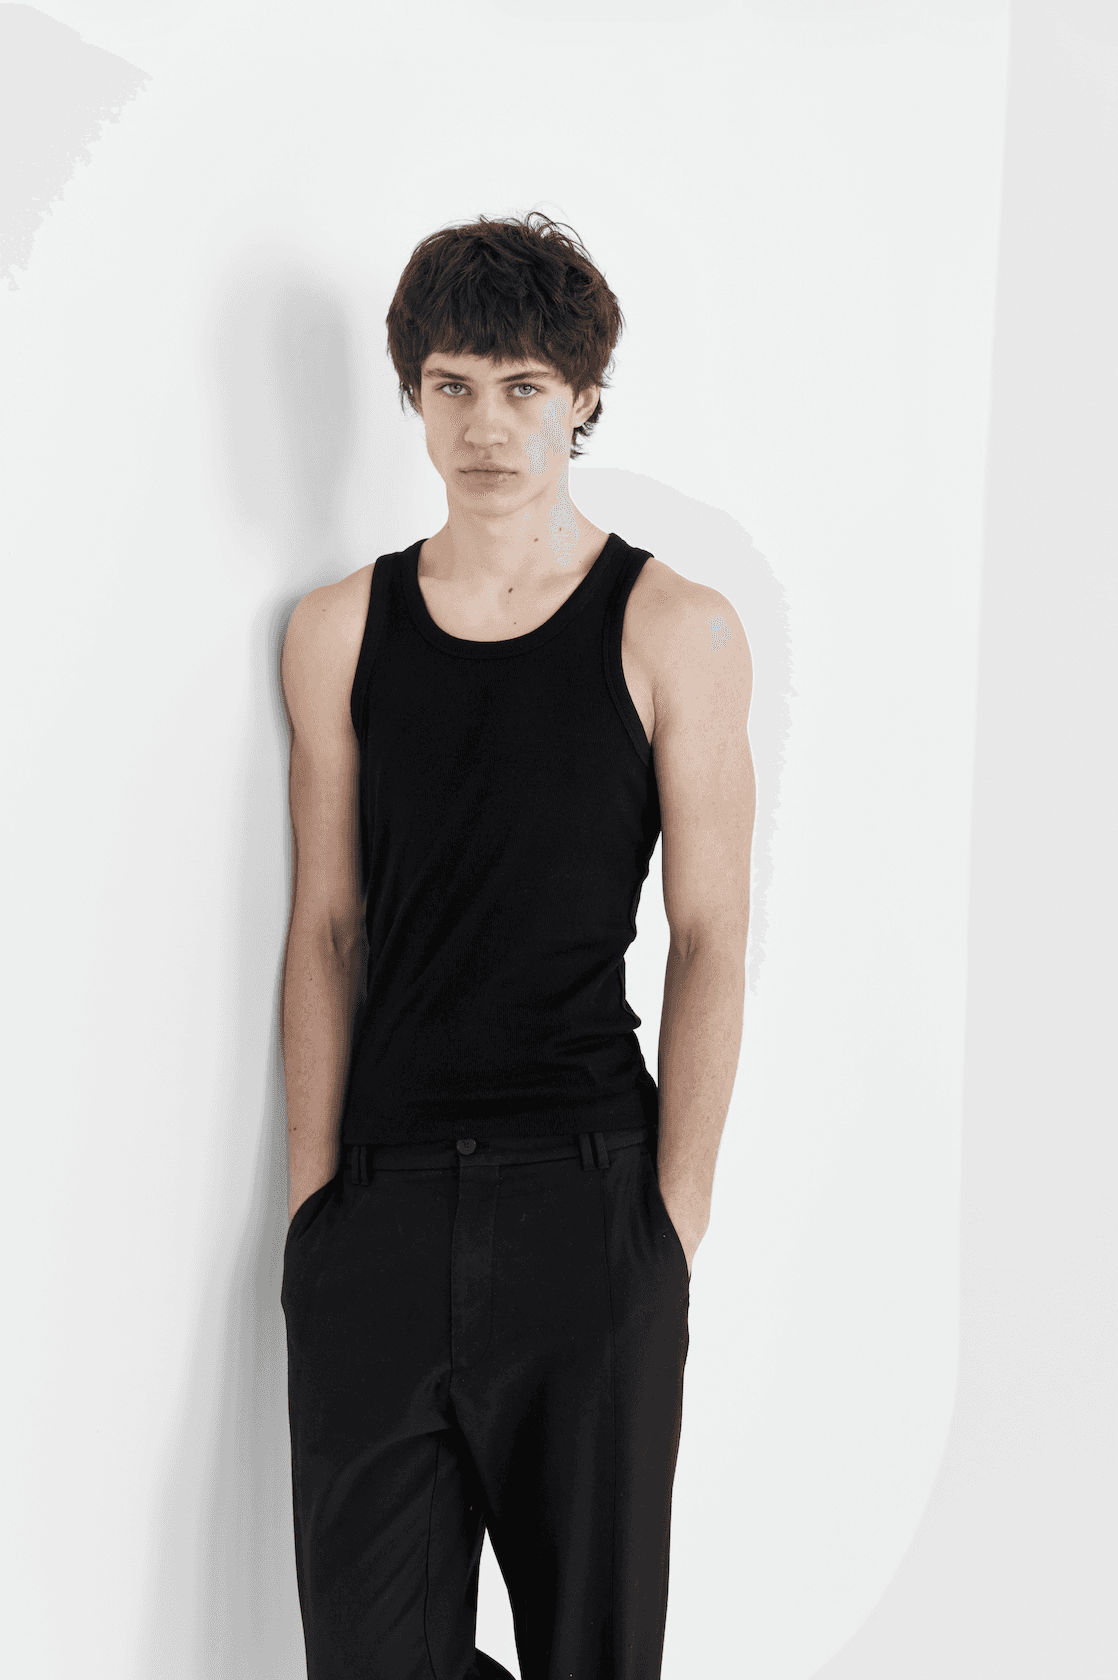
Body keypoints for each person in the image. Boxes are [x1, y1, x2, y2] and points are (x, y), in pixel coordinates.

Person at [278, 211, 755, 1680]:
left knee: (591, 1654)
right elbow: (327, 925)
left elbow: (710, 933)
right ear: (414, 396)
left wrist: (670, 1221)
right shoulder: (338, 629)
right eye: (453, 385)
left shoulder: (673, 625)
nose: (486, 426)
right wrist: (313, 1208)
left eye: (523, 388)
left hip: (588, 1201)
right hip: (382, 1207)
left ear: (583, 397)